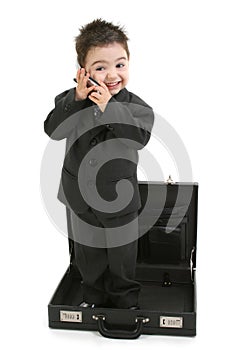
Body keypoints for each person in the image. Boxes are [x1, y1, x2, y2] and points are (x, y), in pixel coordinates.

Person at [44, 19, 154, 309]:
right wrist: (78, 98)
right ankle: (92, 298)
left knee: (122, 256)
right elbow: (54, 131)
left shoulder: (137, 108)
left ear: (129, 63)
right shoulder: (70, 101)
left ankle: (125, 300)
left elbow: (137, 139)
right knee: (88, 254)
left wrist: (109, 107)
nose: (112, 75)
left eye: (120, 65)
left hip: (120, 200)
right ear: (83, 71)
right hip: (79, 197)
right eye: (100, 67)